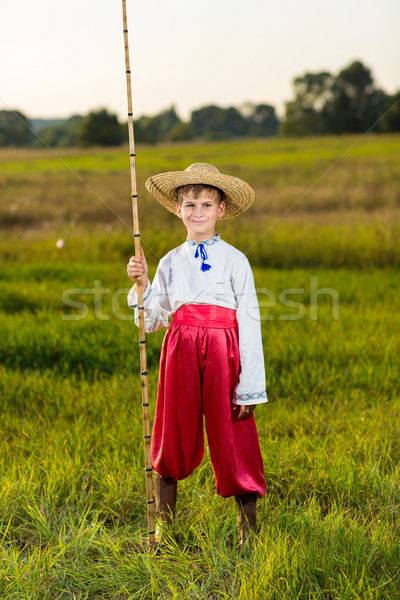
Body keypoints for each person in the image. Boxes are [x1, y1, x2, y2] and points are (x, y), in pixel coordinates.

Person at [126, 163, 268, 547]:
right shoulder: (170, 260)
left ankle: (248, 534)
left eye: (207, 204)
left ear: (221, 210)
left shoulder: (237, 260)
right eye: (190, 204)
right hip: (181, 348)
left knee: (232, 433)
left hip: (224, 350)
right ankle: (164, 533)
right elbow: (153, 318)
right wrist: (140, 284)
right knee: (172, 430)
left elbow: (251, 324)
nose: (198, 212)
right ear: (177, 209)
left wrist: (250, 388)